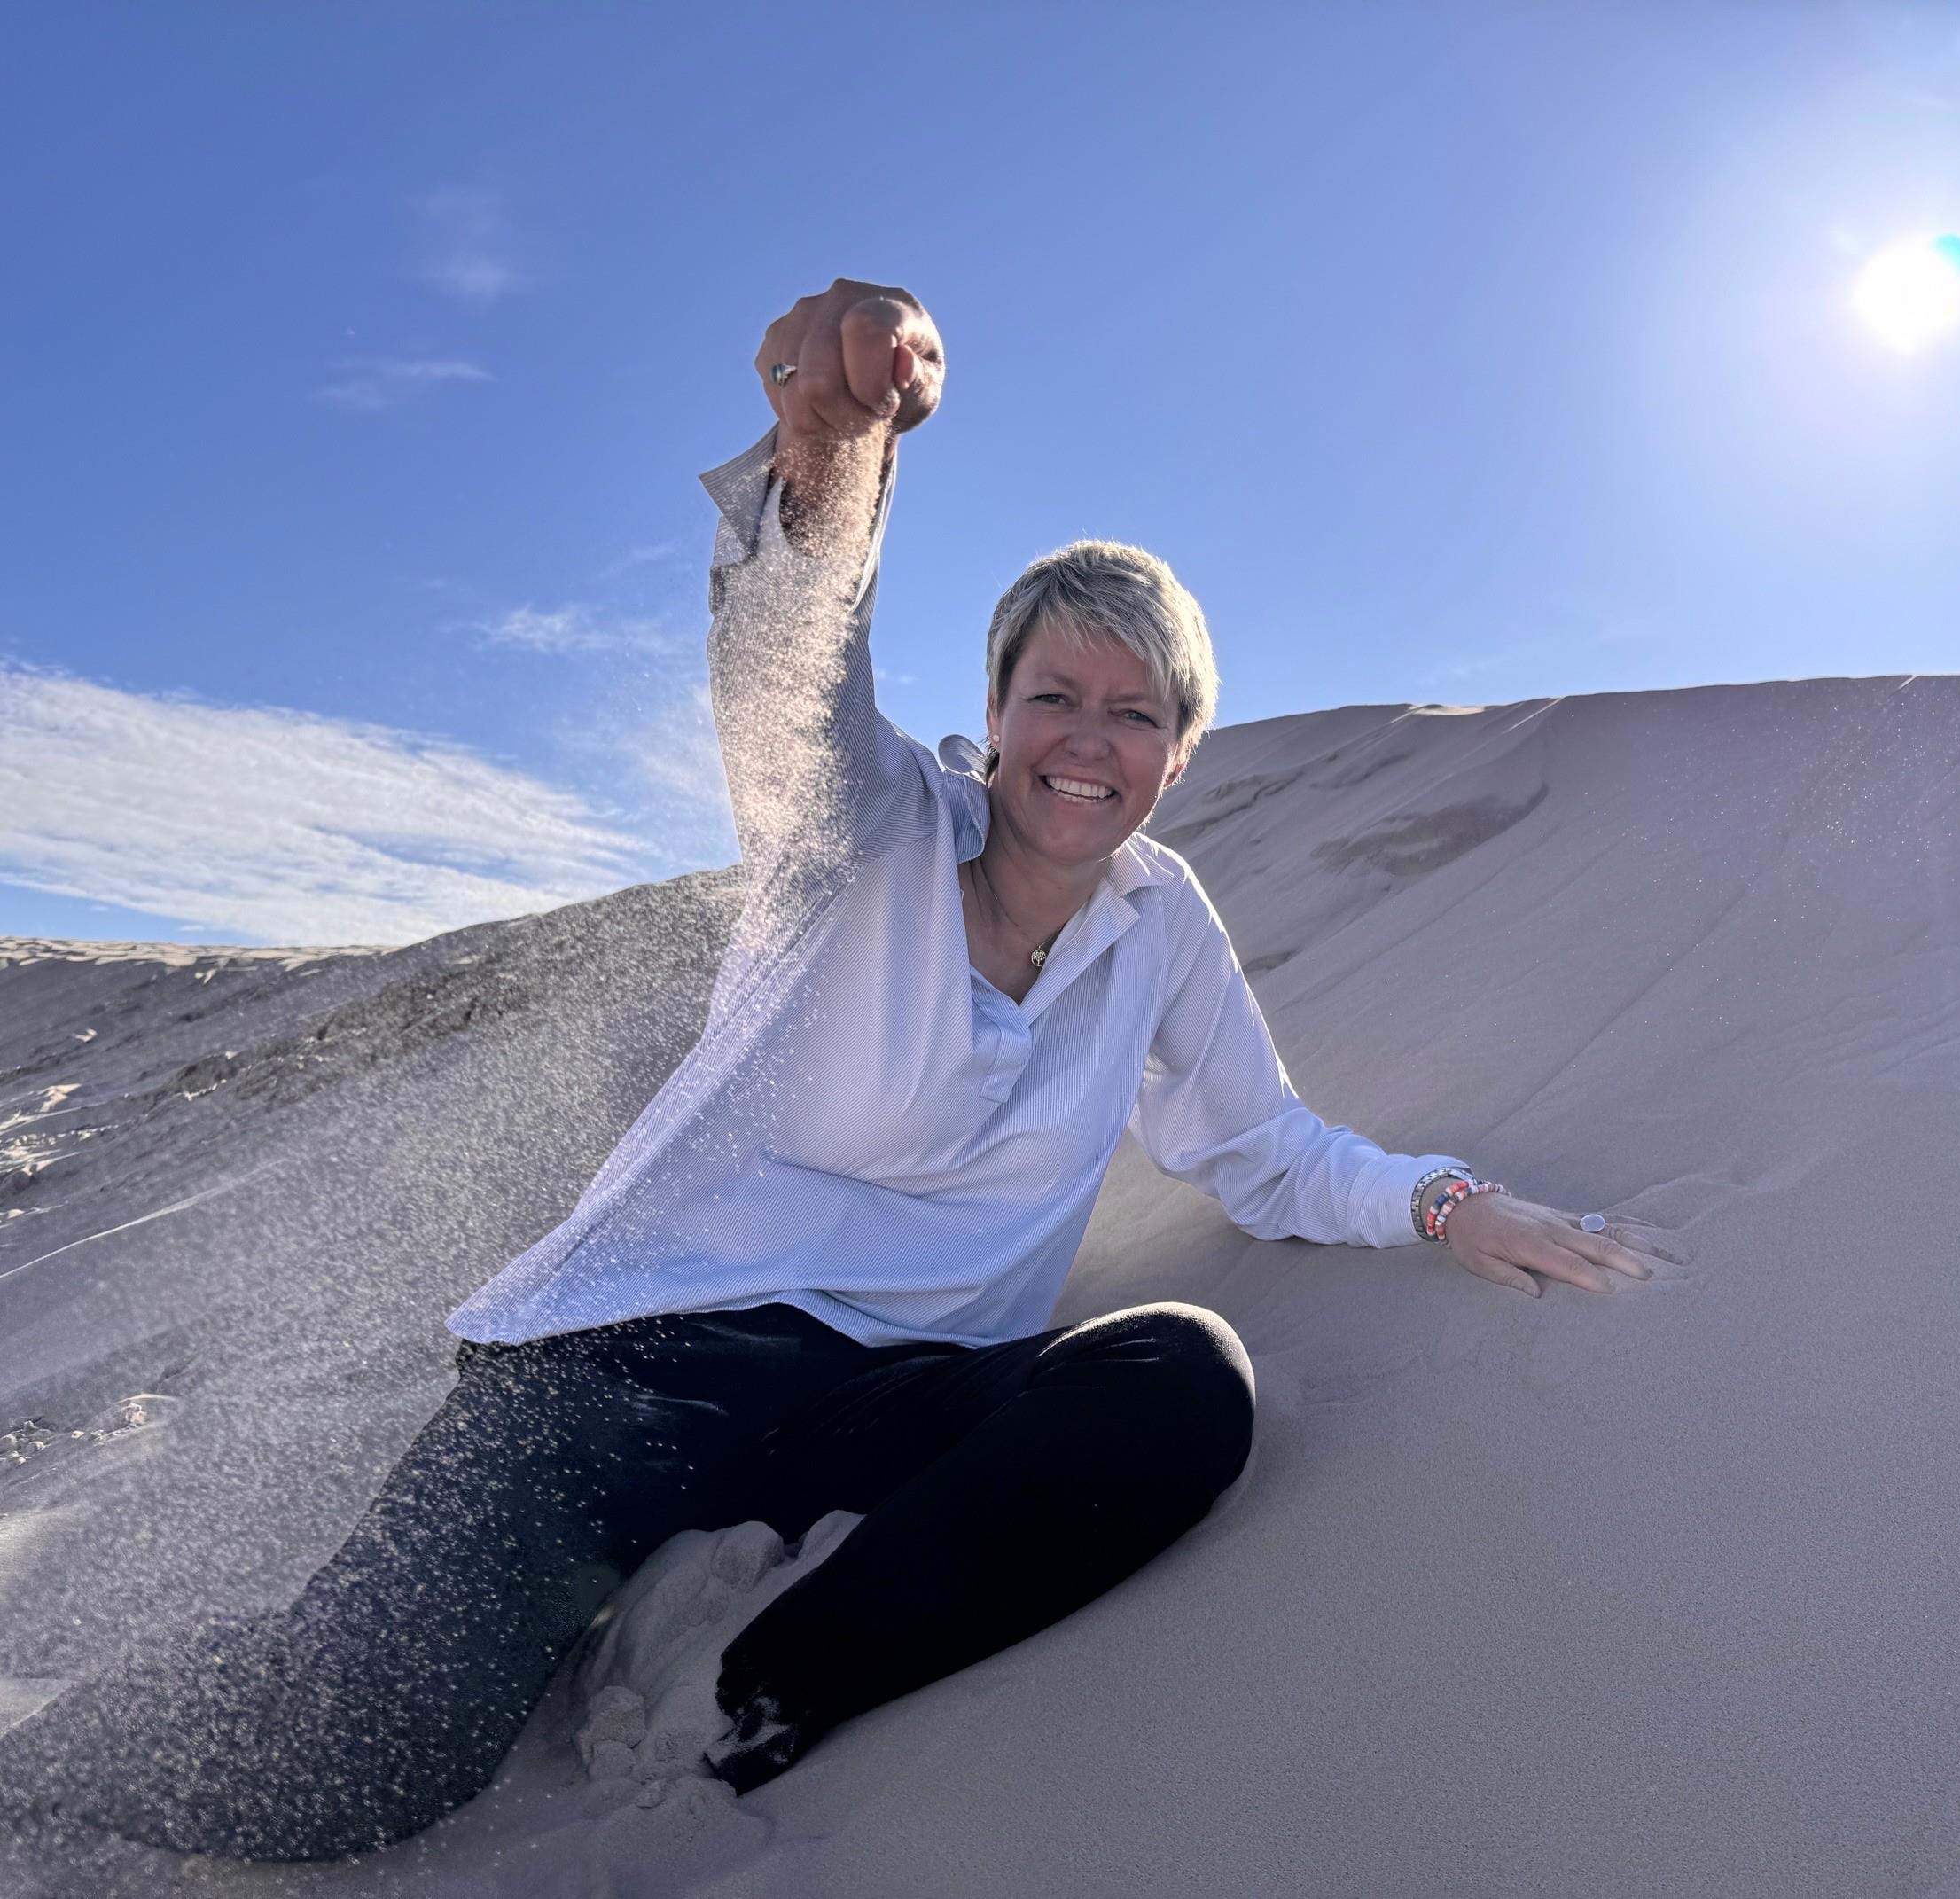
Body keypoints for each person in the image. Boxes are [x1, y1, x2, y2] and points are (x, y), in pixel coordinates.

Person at [10, 276, 1670, 1863]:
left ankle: (749, 1695)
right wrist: (835, 459)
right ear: (997, 710)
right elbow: (788, 689)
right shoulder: (861, 830)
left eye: (1135, 710)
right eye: (1052, 696)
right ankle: (60, 1739)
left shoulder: (1158, 923)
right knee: (351, 1763)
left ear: (1181, 746)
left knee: (1185, 1383)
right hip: (618, 1379)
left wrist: (1447, 1202)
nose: (1087, 744)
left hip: (878, 1412)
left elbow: (1265, 1145)